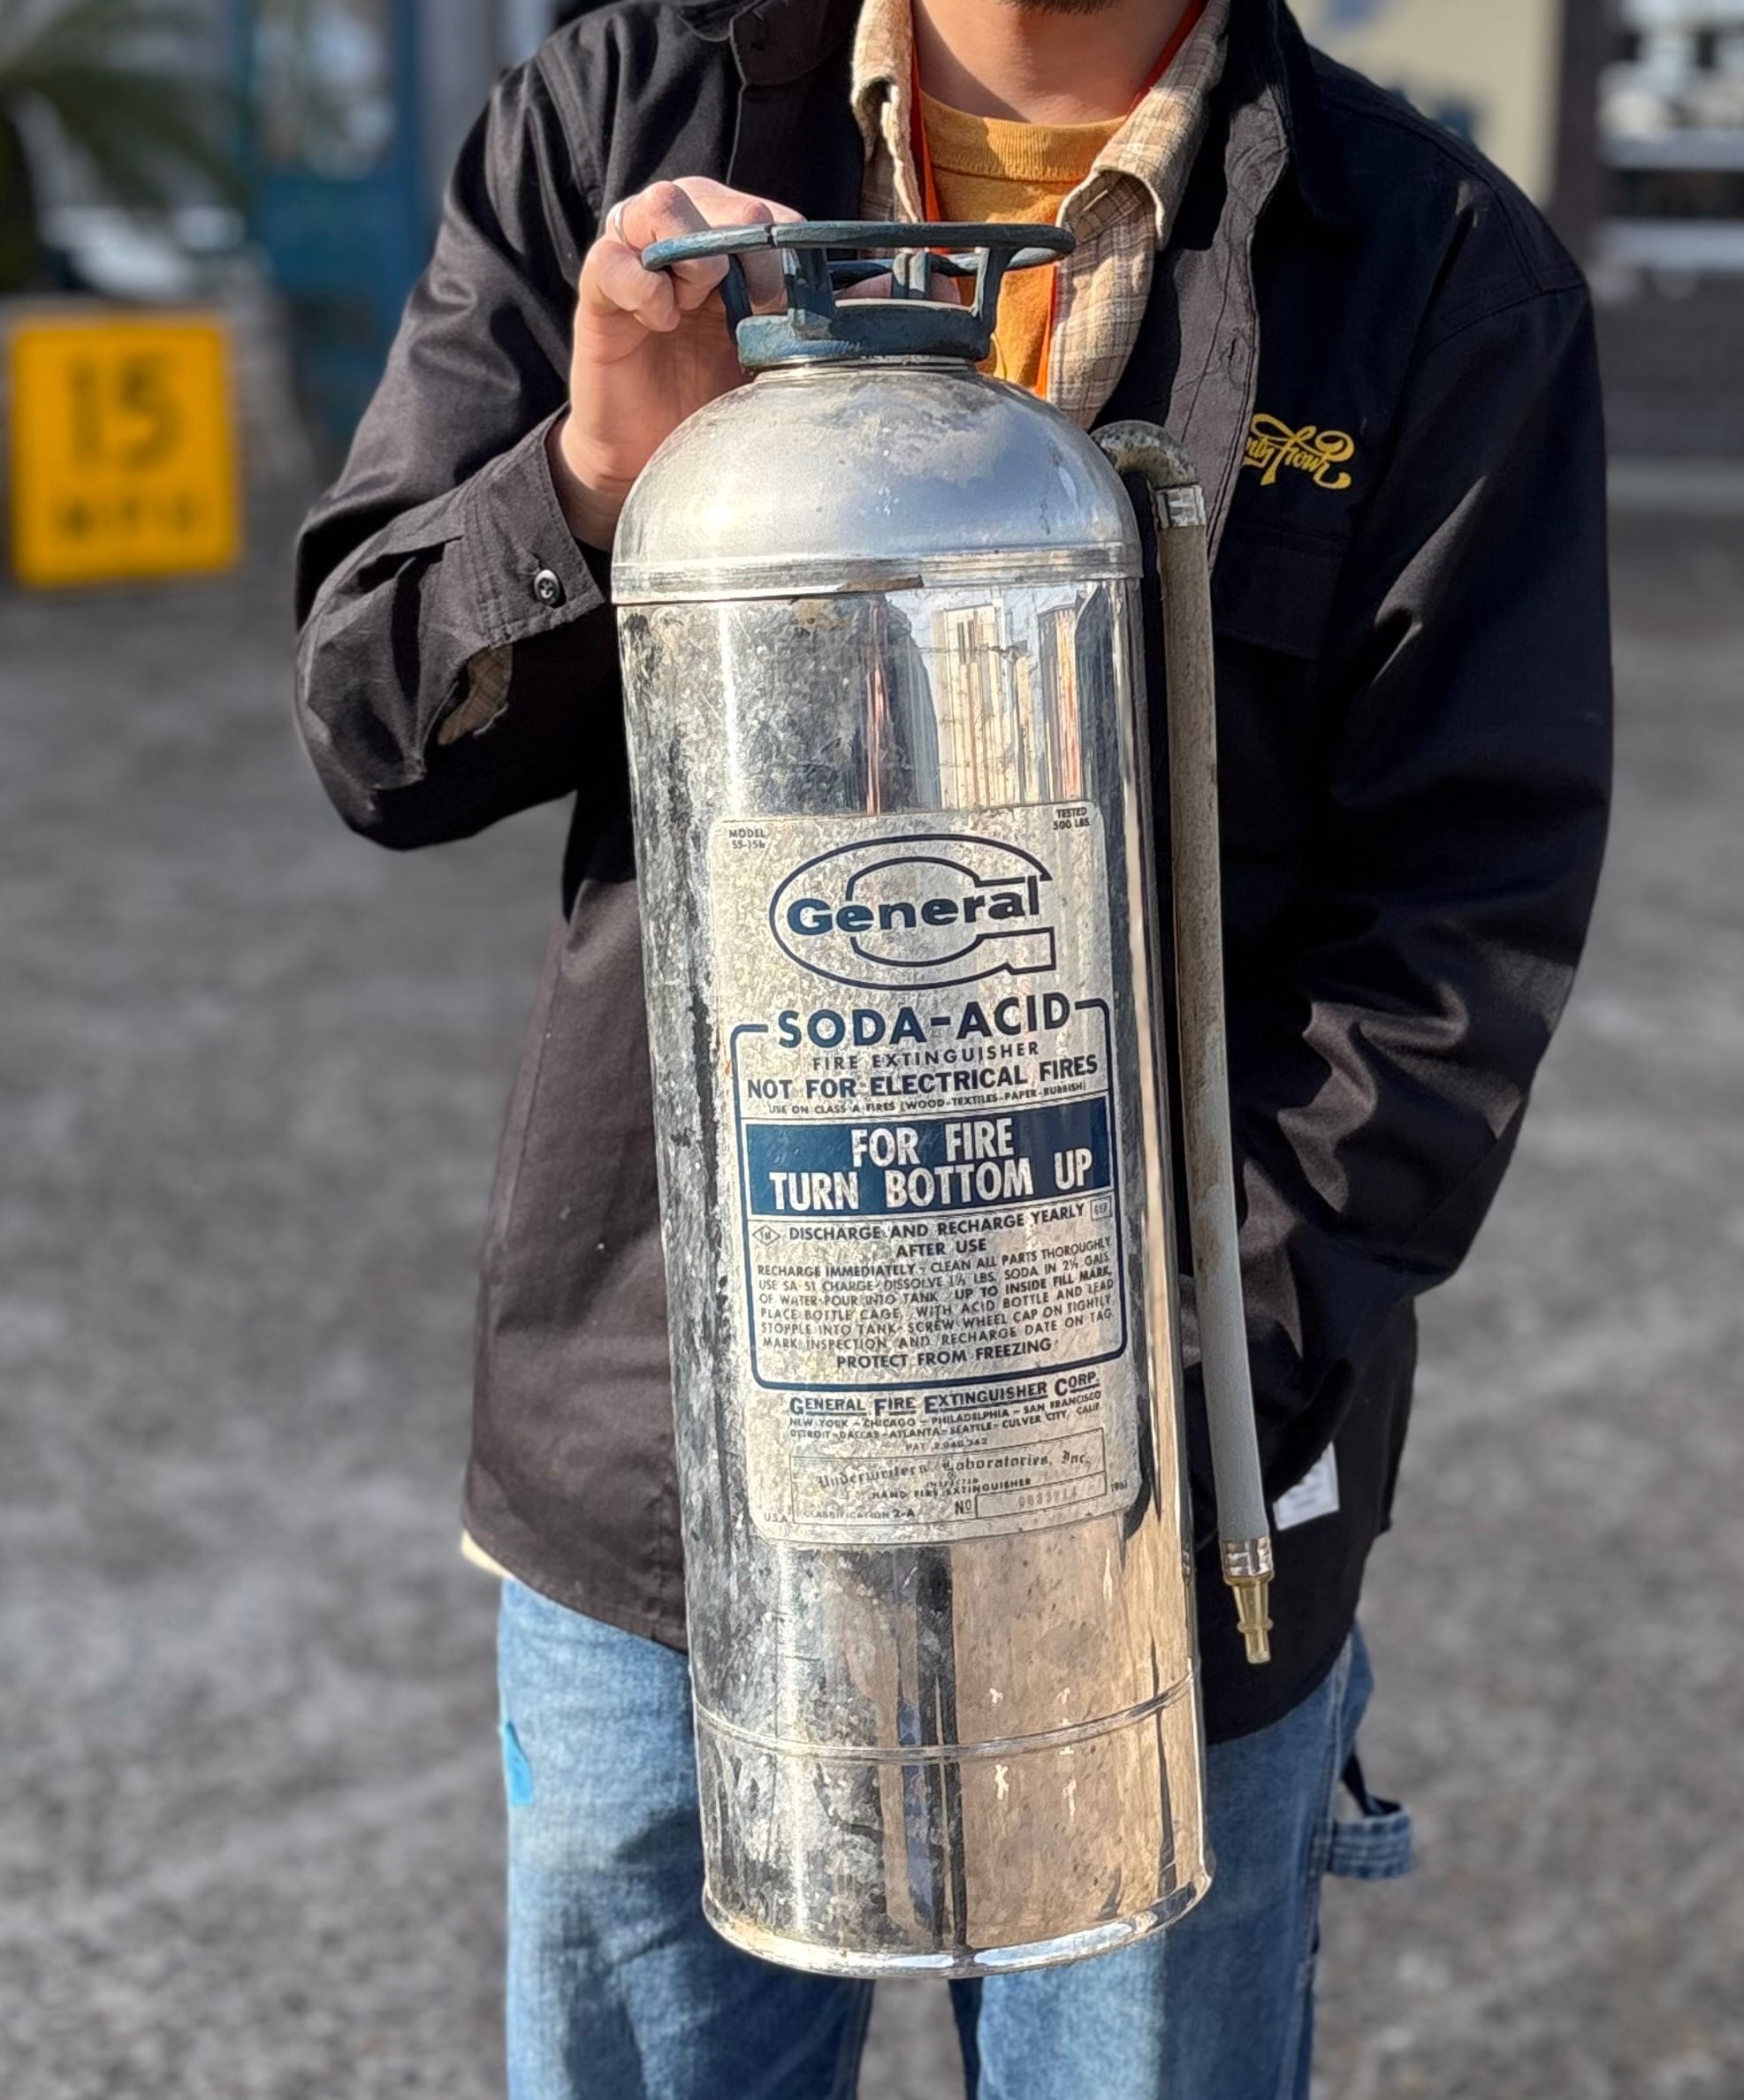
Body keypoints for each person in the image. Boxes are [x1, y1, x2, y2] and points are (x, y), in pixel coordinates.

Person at [292, 0, 1613, 2091]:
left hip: (1165, 1524)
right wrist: (594, 480)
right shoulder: (626, 125)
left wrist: (1165, 1394)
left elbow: (1455, 947)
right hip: (673, 1497)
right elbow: (374, 722)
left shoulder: (1433, 260)